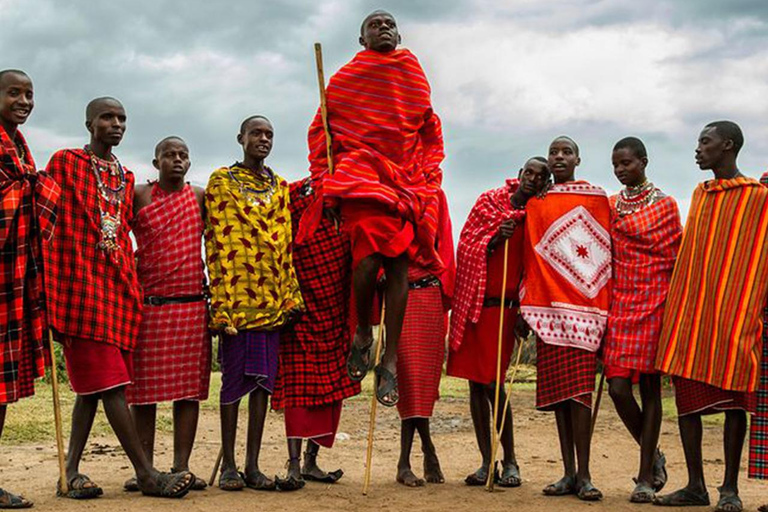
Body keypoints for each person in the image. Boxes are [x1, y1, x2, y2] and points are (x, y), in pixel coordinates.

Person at [43, 97, 194, 499]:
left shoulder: (125, 178)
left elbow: (123, 232)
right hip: (79, 293)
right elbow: (46, 219)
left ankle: (69, 472)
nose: (116, 124)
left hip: (116, 293)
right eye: (107, 117)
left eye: (122, 118)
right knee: (112, 385)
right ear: (89, 122)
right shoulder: (64, 162)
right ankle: (146, 474)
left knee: (92, 390)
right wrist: (48, 294)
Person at [297, 10, 447, 407]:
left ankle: (390, 358)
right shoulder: (346, 78)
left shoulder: (412, 70)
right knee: (366, 263)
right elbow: (322, 133)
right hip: (360, 176)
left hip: (405, 179)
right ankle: (363, 331)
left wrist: (428, 171)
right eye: (373, 25)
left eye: (389, 23)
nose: (383, 27)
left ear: (399, 33)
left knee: (397, 263)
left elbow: (428, 125)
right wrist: (327, 187)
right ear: (361, 39)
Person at [654, 121, 768, 512]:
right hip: (693, 315)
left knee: (736, 403)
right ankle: (695, 485)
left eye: (706, 141)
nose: (698, 149)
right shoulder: (700, 194)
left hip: (735, 316)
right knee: (688, 403)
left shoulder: (757, 196)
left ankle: (730, 488)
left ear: (728, 146)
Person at [205, 115, 303, 492]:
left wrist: (288, 292)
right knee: (232, 386)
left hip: (272, 301)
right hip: (236, 301)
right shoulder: (221, 182)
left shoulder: (280, 187)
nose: (263, 139)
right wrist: (222, 299)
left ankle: (253, 465)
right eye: (256, 133)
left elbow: (284, 242)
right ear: (240, 138)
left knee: (263, 386)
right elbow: (218, 238)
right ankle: (229, 465)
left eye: (269, 134)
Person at [447, 157, 550, 488]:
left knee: (493, 383)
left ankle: (511, 462)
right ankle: (485, 462)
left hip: (505, 310)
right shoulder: (489, 202)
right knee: (474, 385)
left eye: (540, 176)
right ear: (519, 175)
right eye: (529, 173)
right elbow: (466, 242)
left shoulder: (538, 215)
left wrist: (526, 310)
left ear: (545, 183)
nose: (533, 179)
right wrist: (493, 238)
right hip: (475, 305)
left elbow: (537, 266)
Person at [519, 136, 611, 501]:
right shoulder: (537, 203)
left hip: (586, 313)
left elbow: (603, 252)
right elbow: (532, 253)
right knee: (561, 398)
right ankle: (568, 473)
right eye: (554, 151)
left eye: (566, 152)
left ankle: (586, 474)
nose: (559, 156)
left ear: (578, 158)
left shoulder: (597, 199)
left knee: (581, 398)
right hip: (548, 314)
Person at [123, 136, 211, 492]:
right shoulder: (140, 196)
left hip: (191, 307)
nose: (177, 160)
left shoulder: (200, 197)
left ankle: (182, 466)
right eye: (169, 155)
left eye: (183, 155)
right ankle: (145, 469)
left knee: (188, 393)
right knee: (143, 394)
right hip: (150, 306)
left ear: (189, 163)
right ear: (155, 161)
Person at [603, 137, 680, 502]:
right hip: (621, 304)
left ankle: (645, 475)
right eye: (616, 165)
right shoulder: (611, 205)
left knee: (650, 390)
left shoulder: (666, 206)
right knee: (617, 390)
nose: (620, 170)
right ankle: (656, 455)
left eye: (627, 164)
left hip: (654, 302)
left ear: (644, 162)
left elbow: (674, 255)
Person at [271, 176, 360, 487]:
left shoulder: (351, 197)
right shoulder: (294, 193)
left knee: (330, 389)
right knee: (296, 386)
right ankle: (293, 463)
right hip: (299, 309)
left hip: (335, 310)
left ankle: (311, 461)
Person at [0, 69, 60, 509]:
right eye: (14, 93)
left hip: (13, 280)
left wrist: (37, 189)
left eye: (29, 94)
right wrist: (32, 190)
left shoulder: (19, 147)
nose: (24, 100)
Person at [395, 189, 455, 487]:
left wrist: (447, 290)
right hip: (400, 295)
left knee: (425, 381)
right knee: (408, 378)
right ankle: (413, 457)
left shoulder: (435, 195)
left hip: (430, 292)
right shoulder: (386, 191)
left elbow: (444, 242)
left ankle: (421, 453)